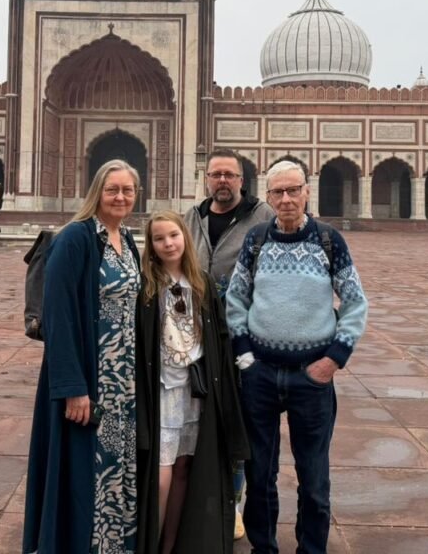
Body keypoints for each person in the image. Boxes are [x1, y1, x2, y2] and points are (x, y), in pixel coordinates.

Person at [225, 161, 368, 554]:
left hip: (312, 376)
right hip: (261, 375)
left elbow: (355, 302)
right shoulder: (255, 241)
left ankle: (311, 549)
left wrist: (334, 359)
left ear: (308, 191)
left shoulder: (328, 240)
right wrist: (244, 355)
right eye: (277, 192)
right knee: (260, 474)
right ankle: (263, 548)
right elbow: (236, 299)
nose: (285, 199)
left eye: (293, 190)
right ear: (267, 197)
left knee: (314, 476)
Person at [23, 160, 155, 554]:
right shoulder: (75, 239)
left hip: (123, 383)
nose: (120, 197)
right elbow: (58, 316)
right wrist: (72, 387)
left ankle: (113, 544)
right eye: (112, 189)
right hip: (90, 378)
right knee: (82, 469)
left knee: (116, 466)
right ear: (96, 192)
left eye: (127, 190)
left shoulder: (126, 239)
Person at [138, 211, 248, 553]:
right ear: (151, 246)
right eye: (159, 238)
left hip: (195, 390)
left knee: (185, 465)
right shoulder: (145, 286)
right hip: (162, 389)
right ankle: (151, 542)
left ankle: (171, 543)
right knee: (161, 469)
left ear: (185, 237)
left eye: (173, 235)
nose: (168, 243)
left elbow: (218, 337)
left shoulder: (200, 283)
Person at [184, 148, 272, 540]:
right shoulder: (194, 217)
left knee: (238, 420)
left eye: (230, 175)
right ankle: (204, 500)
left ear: (242, 179)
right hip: (198, 336)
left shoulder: (263, 216)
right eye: (216, 174)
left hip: (244, 337)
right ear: (207, 179)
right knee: (200, 420)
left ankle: (236, 504)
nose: (222, 181)